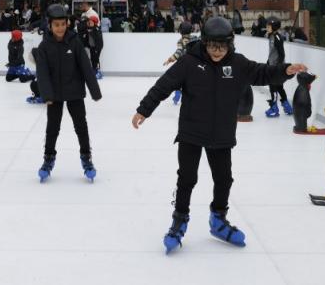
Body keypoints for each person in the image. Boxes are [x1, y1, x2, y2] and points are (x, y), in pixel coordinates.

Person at [131, 17, 307, 252]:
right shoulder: (189, 63)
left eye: (222, 46)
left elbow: (263, 73)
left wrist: (285, 71)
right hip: (191, 132)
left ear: (230, 44)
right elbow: (163, 86)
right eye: (212, 45)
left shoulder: (238, 64)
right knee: (186, 179)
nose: (217, 51)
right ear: (204, 42)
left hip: (221, 133)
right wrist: (144, 109)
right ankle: (179, 221)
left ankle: (218, 219)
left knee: (224, 179)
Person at [35, 4, 102, 182]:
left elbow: (86, 67)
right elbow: (42, 73)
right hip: (55, 95)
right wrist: (47, 95)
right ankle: (48, 158)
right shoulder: (44, 47)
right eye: (56, 25)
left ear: (67, 24)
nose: (60, 28)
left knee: (81, 126)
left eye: (63, 24)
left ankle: (86, 158)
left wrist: (94, 91)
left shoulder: (75, 42)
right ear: (50, 25)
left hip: (75, 92)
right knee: (52, 128)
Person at [163, 20, 197, 105]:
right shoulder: (195, 39)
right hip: (194, 64)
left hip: (183, 64)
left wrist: (170, 59)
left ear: (181, 31)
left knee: (180, 80)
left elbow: (179, 52)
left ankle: (178, 93)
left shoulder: (180, 41)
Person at [265, 16, 293, 117]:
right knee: (279, 87)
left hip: (276, 68)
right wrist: (268, 62)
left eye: (268, 26)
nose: (267, 27)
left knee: (273, 87)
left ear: (274, 26)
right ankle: (287, 107)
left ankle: (274, 108)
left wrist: (278, 67)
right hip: (272, 66)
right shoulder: (271, 36)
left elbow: (281, 54)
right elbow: (272, 53)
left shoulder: (277, 37)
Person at [86, 15, 104, 79]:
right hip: (92, 47)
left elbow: (99, 40)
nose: (89, 23)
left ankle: (98, 72)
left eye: (90, 22)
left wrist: (97, 48)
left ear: (94, 22)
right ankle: (94, 71)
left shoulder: (96, 29)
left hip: (96, 47)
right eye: (89, 22)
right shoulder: (90, 29)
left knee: (96, 59)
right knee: (93, 59)